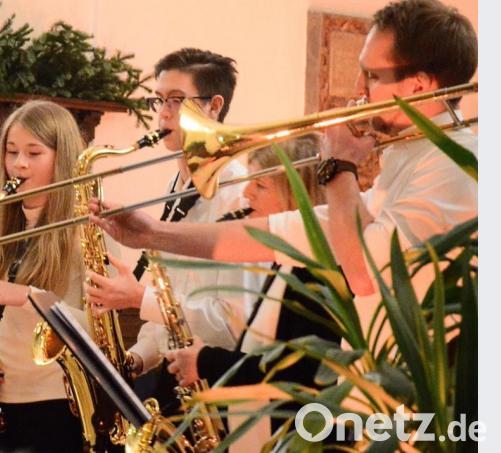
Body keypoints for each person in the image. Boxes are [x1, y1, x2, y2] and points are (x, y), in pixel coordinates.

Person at [90, 0, 478, 348]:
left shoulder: (452, 163)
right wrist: (150, 234)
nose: (357, 88)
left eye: (372, 76)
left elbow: (361, 272)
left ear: (420, 85)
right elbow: (294, 233)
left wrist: (339, 165)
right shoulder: (412, 154)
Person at [83, 48, 251, 415]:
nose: (162, 113)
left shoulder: (240, 196)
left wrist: (139, 298)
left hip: (218, 390)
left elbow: (230, 324)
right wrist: (135, 359)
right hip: (174, 381)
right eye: (158, 100)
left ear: (214, 106)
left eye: (175, 101)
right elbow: (172, 293)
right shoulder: (178, 184)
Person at [165, 136, 341, 449]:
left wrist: (206, 362)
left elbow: (297, 373)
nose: (246, 194)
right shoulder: (288, 260)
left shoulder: (318, 267)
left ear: (297, 192)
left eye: (260, 185)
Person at [0, 100, 87, 453]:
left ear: (62, 158)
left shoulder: (86, 232)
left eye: (33, 153)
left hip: (55, 406)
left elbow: (94, 330)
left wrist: (26, 296)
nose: (18, 164)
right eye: (12, 152)